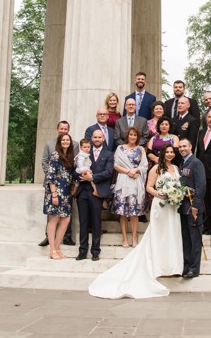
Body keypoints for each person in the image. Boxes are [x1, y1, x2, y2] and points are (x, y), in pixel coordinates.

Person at [88, 144, 184, 299]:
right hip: (160, 206)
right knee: (159, 235)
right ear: (162, 154)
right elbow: (149, 187)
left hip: (172, 208)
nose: (170, 154)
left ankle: (171, 266)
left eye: (172, 152)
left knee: (171, 235)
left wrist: (176, 194)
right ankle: (158, 267)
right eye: (167, 152)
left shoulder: (176, 169)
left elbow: (178, 186)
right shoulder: (156, 169)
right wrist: (162, 194)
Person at [76, 129, 113, 261]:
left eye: (99, 137)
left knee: (96, 222)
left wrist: (91, 178)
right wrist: (82, 176)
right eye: (95, 137)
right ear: (92, 138)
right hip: (82, 192)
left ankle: (95, 251)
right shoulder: (84, 152)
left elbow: (108, 172)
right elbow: (75, 169)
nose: (97, 139)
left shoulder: (108, 154)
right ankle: (82, 250)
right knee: (83, 222)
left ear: (103, 139)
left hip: (97, 192)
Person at [39, 121, 76, 247]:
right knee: (53, 217)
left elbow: (73, 168)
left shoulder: (72, 150)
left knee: (66, 217)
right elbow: (45, 164)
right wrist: (54, 177)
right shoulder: (54, 152)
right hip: (54, 188)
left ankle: (61, 242)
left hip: (66, 190)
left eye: (66, 129)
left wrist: (73, 185)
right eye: (61, 128)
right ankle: (51, 245)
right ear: (57, 129)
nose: (63, 131)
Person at [112, 127, 148, 247]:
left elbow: (145, 165)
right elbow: (116, 165)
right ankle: (124, 238)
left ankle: (133, 237)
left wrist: (136, 169)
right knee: (122, 212)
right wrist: (128, 172)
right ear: (127, 136)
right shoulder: (120, 148)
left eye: (135, 135)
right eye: (131, 135)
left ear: (138, 137)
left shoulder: (141, 149)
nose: (133, 137)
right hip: (123, 180)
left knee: (134, 211)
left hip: (136, 181)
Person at [177, 138, 206, 278]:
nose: (182, 149)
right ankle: (186, 266)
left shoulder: (196, 163)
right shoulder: (182, 163)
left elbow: (201, 186)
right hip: (183, 207)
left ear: (190, 146)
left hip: (193, 208)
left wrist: (196, 206)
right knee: (186, 238)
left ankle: (194, 269)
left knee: (195, 239)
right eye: (180, 147)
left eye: (184, 146)